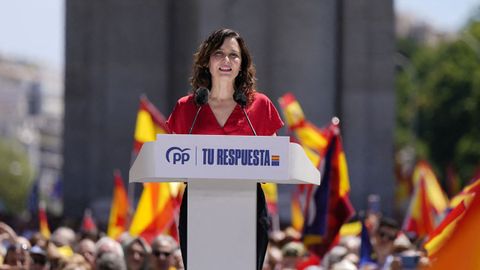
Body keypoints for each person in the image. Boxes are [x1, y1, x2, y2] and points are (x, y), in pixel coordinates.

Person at [166, 28, 284, 269]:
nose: (226, 61)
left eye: (234, 55)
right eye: (219, 53)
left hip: (248, 211)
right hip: (199, 209)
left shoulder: (259, 106)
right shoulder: (187, 108)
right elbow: (168, 158)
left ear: (242, 64)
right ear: (206, 61)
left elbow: (277, 160)